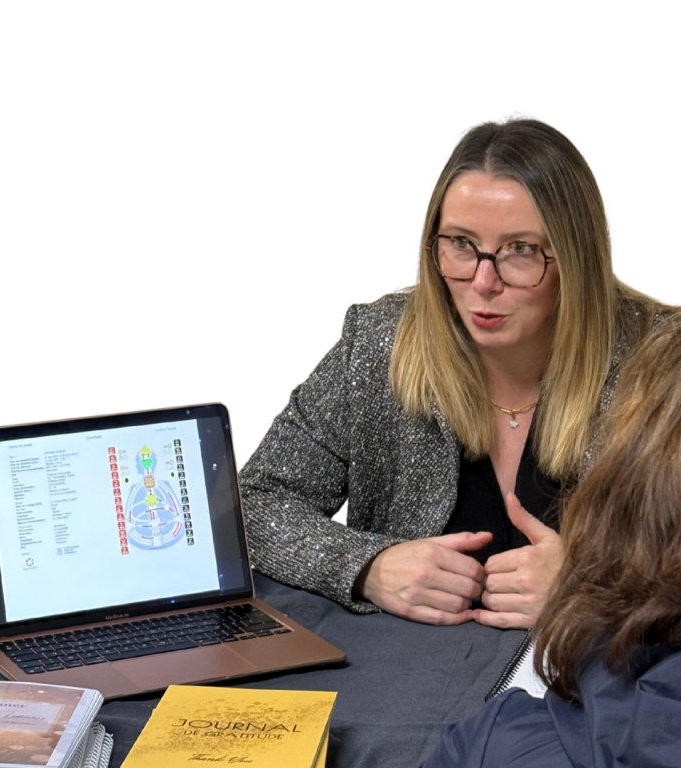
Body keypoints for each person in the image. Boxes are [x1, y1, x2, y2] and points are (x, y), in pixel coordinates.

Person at [240, 119, 665, 629]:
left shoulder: (661, 362)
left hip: (597, 689)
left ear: (576, 257)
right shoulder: (380, 344)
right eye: (461, 243)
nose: (483, 282)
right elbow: (254, 504)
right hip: (416, 690)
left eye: (520, 250)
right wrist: (366, 565)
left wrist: (597, 586)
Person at [421, 314, 681, 766]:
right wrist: (369, 562)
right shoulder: (378, 335)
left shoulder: (497, 744)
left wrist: (586, 592)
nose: (485, 279)